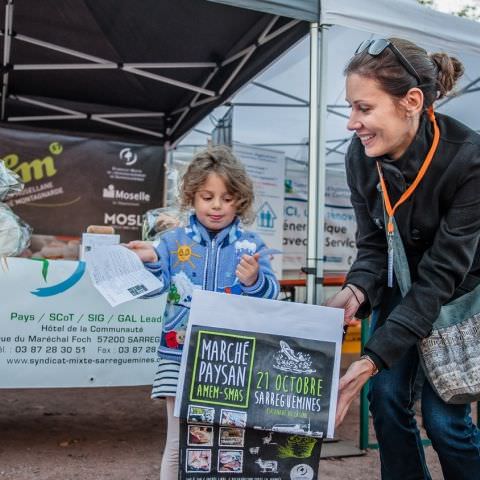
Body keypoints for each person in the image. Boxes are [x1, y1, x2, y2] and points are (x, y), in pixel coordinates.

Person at [326, 37, 480, 479]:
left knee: (445, 420)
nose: (352, 123)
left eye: (364, 108)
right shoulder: (361, 157)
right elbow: (373, 246)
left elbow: (440, 277)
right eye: (351, 108)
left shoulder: (469, 159)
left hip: (457, 296)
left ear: (411, 101)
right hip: (399, 285)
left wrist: (370, 359)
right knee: (386, 401)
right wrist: (357, 288)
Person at [126, 145, 279, 479]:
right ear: (191, 196)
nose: (216, 206)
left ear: (240, 199)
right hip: (176, 354)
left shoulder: (251, 245)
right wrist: (149, 262)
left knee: (226, 443)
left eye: (226, 198)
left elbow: (272, 295)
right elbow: (150, 291)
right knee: (178, 441)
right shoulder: (170, 242)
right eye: (207, 196)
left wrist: (253, 280)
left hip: (232, 359)